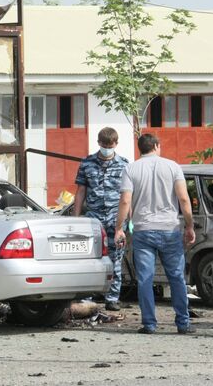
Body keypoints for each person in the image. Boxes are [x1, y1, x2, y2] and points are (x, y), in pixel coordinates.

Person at [115, 133, 195, 335]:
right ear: (157, 146)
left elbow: (125, 201)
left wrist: (119, 228)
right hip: (170, 230)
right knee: (176, 277)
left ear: (139, 148)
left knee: (145, 279)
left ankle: (149, 324)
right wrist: (190, 225)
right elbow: (184, 199)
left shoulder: (130, 168)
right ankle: (183, 323)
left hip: (143, 230)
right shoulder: (173, 166)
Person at [74, 127, 129, 311]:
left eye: (110, 145)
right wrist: (76, 218)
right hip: (93, 218)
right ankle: (88, 296)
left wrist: (131, 219)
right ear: (98, 143)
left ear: (116, 144)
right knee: (90, 258)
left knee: (116, 259)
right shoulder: (87, 163)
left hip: (116, 218)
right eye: (104, 145)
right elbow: (81, 191)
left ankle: (112, 298)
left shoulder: (124, 165)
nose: (107, 148)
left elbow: (128, 195)